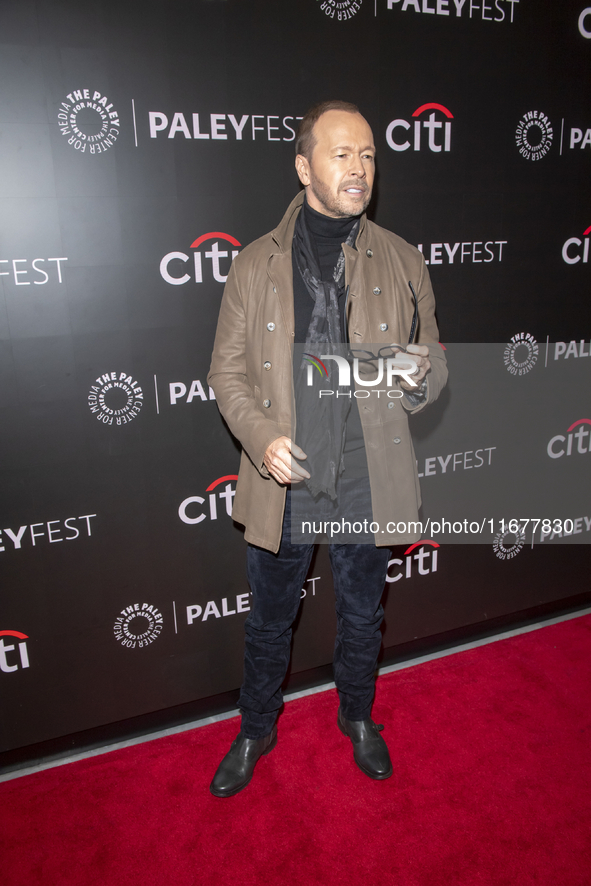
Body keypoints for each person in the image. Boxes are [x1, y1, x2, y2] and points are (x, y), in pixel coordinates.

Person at [207, 100, 447, 797]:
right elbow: (224, 372)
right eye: (341, 154)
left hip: (367, 475)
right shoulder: (254, 264)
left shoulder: (402, 259)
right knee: (269, 619)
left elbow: (431, 365)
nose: (359, 169)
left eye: (369, 155)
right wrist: (260, 438)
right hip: (286, 477)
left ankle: (358, 716)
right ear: (303, 165)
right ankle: (255, 727)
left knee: (364, 613)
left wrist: (418, 377)